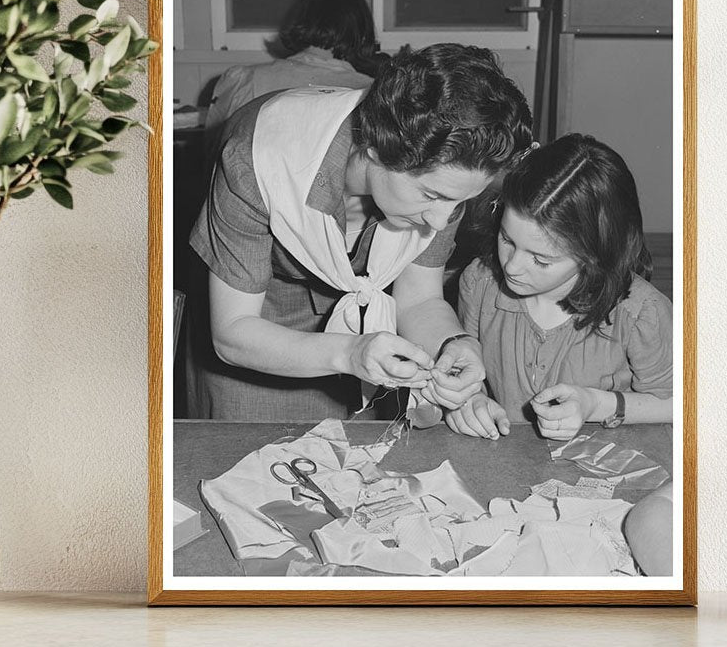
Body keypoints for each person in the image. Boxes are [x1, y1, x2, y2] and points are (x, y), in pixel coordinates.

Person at [188, 43, 533, 421]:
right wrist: (349, 353)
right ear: (374, 151)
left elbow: (418, 300)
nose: (440, 221)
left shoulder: (445, 179)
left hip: (364, 343)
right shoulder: (255, 161)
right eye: (432, 196)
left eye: (458, 203)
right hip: (258, 340)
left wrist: (455, 343)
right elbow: (233, 333)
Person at [449, 133, 672, 439]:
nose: (512, 266)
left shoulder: (641, 312)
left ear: (593, 257)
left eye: (541, 260)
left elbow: (681, 405)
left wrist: (595, 404)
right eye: (507, 240)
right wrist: (468, 401)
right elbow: (466, 378)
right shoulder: (479, 284)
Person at [205, 0, 382, 140]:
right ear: (363, 35)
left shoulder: (245, 80)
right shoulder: (372, 92)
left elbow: (213, 156)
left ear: (304, 22)